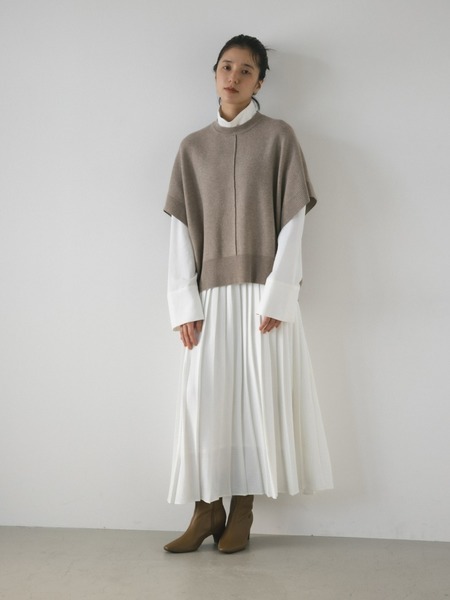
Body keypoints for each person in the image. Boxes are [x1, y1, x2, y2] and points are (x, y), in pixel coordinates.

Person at [163, 34, 333, 554]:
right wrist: (183, 304)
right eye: (226, 67)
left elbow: (294, 221)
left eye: (246, 70)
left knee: (259, 402)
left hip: (263, 293)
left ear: (260, 82)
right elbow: (179, 231)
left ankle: (242, 510)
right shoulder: (192, 148)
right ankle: (205, 510)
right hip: (211, 296)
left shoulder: (280, 137)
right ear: (215, 72)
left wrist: (281, 293)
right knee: (205, 401)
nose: (233, 77)